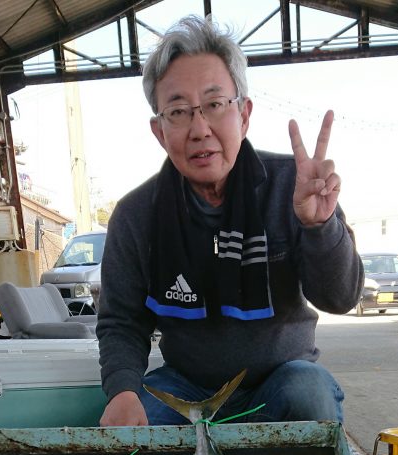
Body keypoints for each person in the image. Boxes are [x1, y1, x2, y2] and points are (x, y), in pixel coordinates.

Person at [97, 15, 364, 427]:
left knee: (308, 391)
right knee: (141, 415)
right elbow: (122, 322)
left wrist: (319, 227)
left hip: (279, 380)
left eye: (214, 104)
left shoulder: (293, 187)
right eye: (179, 111)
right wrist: (122, 390)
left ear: (244, 114)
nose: (199, 128)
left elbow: (341, 298)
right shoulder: (136, 215)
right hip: (187, 385)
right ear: (159, 130)